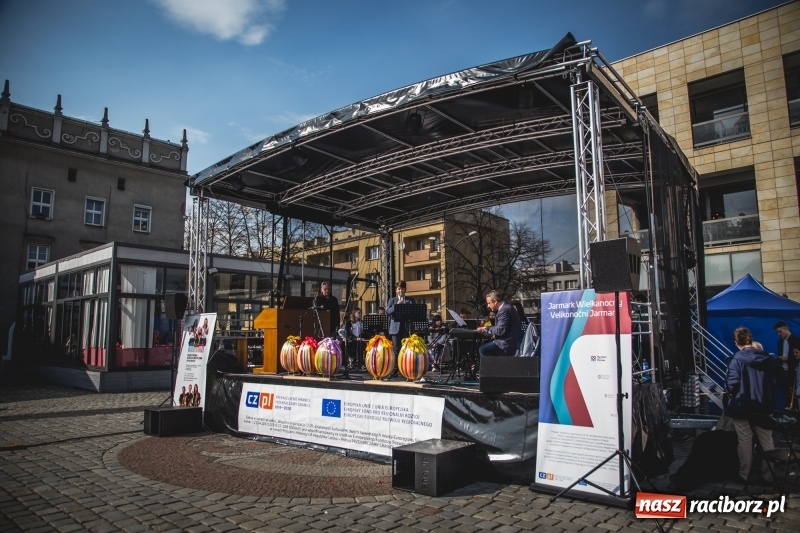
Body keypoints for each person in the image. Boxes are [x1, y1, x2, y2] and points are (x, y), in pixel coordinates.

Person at [725, 327, 781, 483]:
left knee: (745, 441)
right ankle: (768, 476)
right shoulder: (768, 358)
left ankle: (745, 475)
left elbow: (731, 385)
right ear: (750, 339)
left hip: (742, 405)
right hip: (764, 405)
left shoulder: (736, 359)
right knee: (767, 440)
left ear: (736, 343)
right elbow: (778, 378)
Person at [476, 290, 521, 357]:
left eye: (489, 303)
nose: (488, 306)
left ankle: (495, 363)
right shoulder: (506, 307)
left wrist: (485, 328)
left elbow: (500, 330)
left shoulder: (504, 310)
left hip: (506, 344)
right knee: (485, 344)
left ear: (495, 301)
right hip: (507, 340)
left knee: (482, 349)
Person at [386, 281, 416, 377]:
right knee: (396, 350)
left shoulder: (410, 300)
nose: (401, 291)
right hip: (395, 328)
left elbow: (414, 312)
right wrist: (397, 306)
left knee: (407, 350)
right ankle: (395, 369)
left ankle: (405, 369)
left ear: (405, 290)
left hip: (407, 327)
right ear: (396, 290)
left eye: (402, 289)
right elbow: (387, 312)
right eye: (399, 289)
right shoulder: (392, 300)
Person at [775, 321, 800, 408]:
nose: (779, 334)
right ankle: (789, 410)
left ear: (786, 329)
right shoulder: (780, 342)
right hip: (783, 371)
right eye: (777, 332)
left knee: (795, 393)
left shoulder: (796, 340)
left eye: (780, 331)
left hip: (794, 371)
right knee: (786, 393)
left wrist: (788, 359)